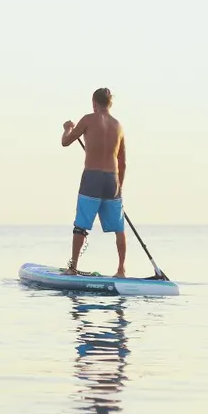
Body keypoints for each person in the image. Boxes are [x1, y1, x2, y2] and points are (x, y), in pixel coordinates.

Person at [60, 88, 127, 277]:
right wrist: (119, 186)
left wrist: (68, 128)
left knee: (81, 225)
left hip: (92, 177)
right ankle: (121, 270)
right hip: (112, 180)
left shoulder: (88, 119)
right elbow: (123, 162)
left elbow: (66, 142)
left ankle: (73, 268)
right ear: (110, 103)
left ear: (94, 102)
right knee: (119, 228)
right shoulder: (118, 126)